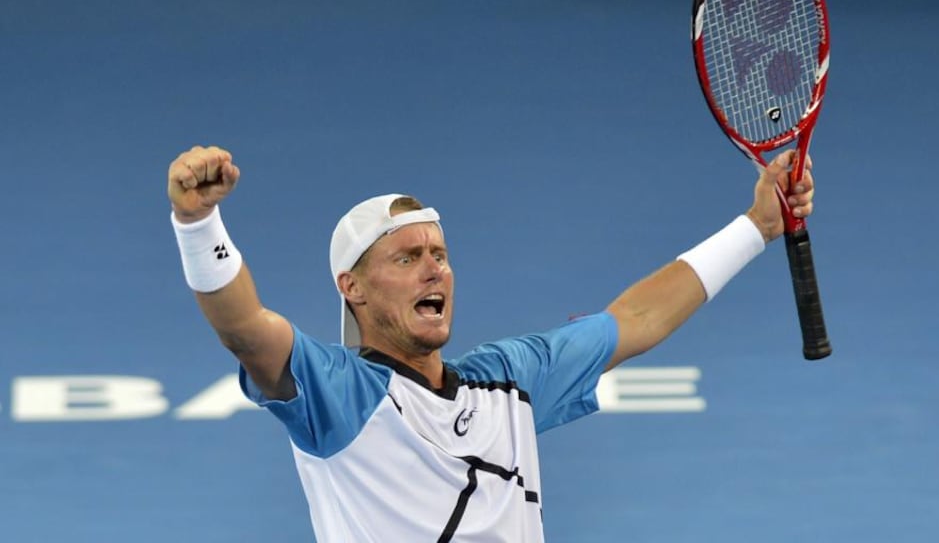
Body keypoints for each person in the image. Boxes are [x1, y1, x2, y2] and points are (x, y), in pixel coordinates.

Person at [167, 145, 815, 542]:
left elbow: (637, 318)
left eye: (440, 255)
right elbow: (245, 328)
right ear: (353, 288)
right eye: (407, 258)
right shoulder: (335, 393)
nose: (434, 269)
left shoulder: (509, 379)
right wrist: (198, 225)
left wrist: (758, 226)